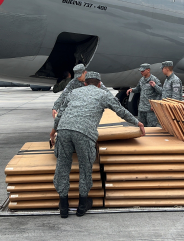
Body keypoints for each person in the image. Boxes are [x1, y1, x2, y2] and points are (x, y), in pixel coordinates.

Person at [50, 72, 145, 218]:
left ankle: (63, 205)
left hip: (63, 130)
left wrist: (53, 131)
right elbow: (121, 111)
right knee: (85, 167)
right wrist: (137, 122)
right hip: (84, 132)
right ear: (100, 83)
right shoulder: (103, 94)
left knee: (62, 166)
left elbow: (61, 113)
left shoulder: (74, 92)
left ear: (85, 83)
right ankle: (82, 205)